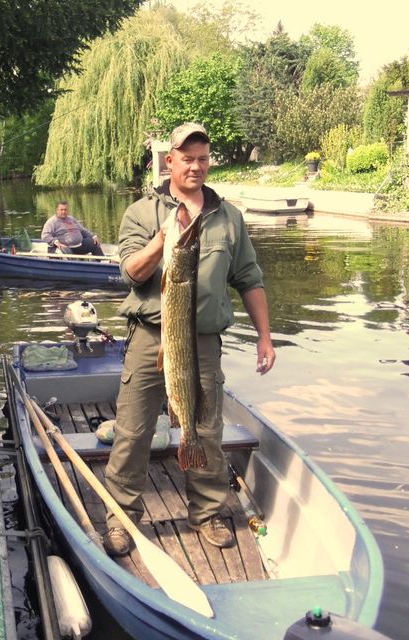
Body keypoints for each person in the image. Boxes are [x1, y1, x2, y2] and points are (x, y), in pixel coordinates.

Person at [102, 123, 275, 556]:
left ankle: (208, 514)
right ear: (170, 161)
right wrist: (163, 239)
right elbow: (131, 273)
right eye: (187, 158)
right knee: (134, 430)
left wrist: (265, 338)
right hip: (148, 337)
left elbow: (249, 279)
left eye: (203, 158)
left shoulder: (228, 216)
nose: (196, 166)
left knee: (205, 430)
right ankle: (122, 518)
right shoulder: (142, 213)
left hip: (203, 342)